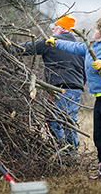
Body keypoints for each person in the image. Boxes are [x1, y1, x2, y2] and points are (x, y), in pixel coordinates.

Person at [46, 18, 101, 182]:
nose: (94, 31)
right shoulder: (91, 47)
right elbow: (73, 47)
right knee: (99, 136)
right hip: (100, 98)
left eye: (97, 29)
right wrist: (55, 42)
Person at [18, 14, 86, 150]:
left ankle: (61, 150)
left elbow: (25, 48)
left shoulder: (51, 42)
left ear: (63, 29)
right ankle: (71, 153)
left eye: (56, 25)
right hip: (77, 88)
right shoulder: (80, 47)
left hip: (59, 88)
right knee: (70, 122)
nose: (53, 27)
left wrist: (5, 46)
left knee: (53, 120)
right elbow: (86, 70)